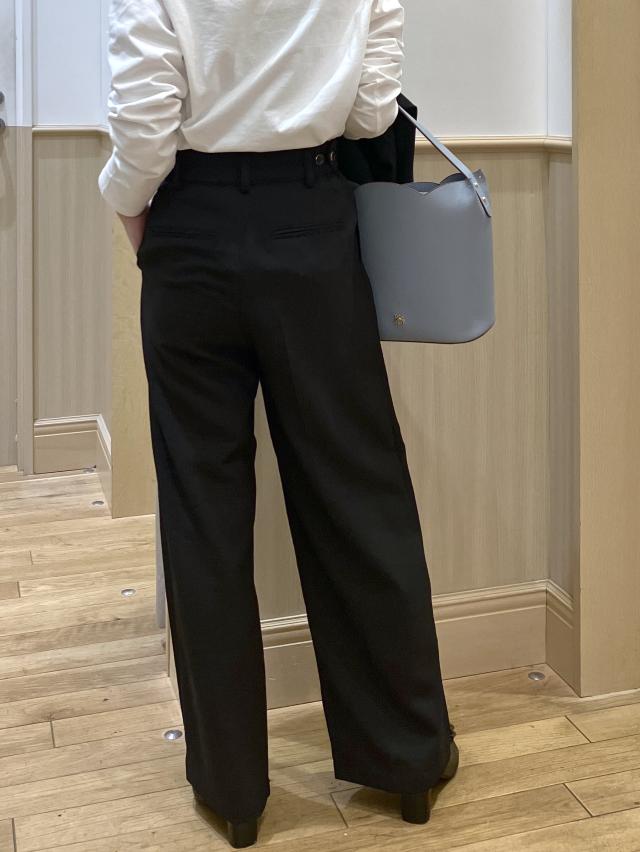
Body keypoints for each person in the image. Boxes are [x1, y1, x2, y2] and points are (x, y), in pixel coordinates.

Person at [98, 1, 458, 847]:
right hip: (313, 221)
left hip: (190, 228)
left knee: (204, 511)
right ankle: (407, 757)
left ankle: (234, 791)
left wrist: (140, 219)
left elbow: (143, 118)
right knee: (359, 493)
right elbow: (371, 109)